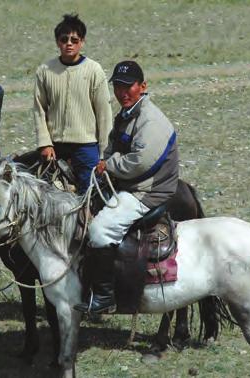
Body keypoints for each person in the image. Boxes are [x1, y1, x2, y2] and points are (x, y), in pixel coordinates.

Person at [74, 61, 179, 314]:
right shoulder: (126, 114)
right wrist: (106, 162)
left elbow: (140, 162)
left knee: (99, 230)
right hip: (128, 184)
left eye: (128, 86)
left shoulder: (151, 120)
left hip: (147, 190)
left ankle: (104, 295)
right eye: (118, 86)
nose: (122, 92)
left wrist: (108, 166)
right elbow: (110, 146)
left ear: (142, 86)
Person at [33, 14, 112, 193]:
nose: (69, 43)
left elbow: (104, 115)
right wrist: (44, 143)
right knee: (46, 195)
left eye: (74, 40)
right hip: (55, 146)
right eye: (64, 39)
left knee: (92, 193)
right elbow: (39, 110)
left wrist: (104, 155)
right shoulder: (45, 71)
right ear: (57, 42)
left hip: (86, 146)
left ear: (82, 42)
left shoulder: (94, 70)